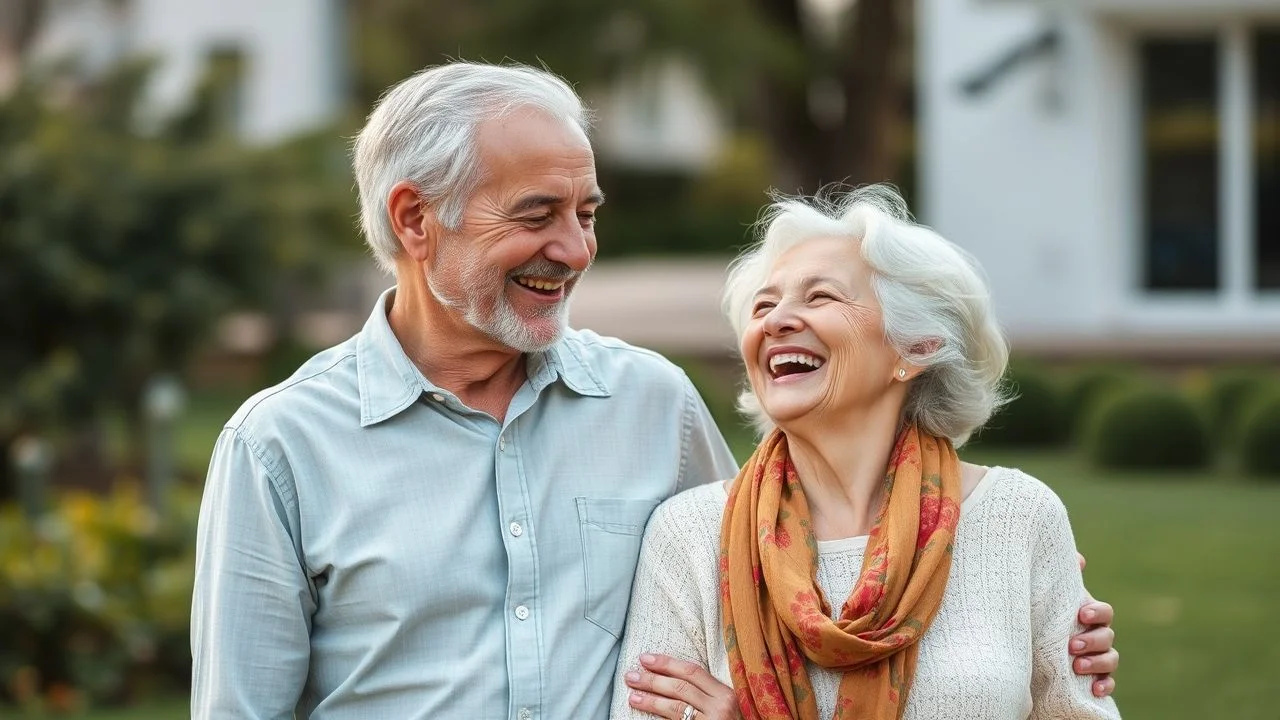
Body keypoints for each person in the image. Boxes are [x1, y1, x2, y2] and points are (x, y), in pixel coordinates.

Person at [190, 62, 1117, 719]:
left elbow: (772, 585)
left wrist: (1007, 611)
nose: (575, 249)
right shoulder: (281, 448)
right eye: (537, 215)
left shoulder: (652, 404)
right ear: (414, 220)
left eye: (586, 213)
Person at [613, 186, 1121, 720]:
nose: (776, 320)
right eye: (765, 305)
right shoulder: (689, 535)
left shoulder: (1019, 518)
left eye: (821, 297)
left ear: (914, 347)